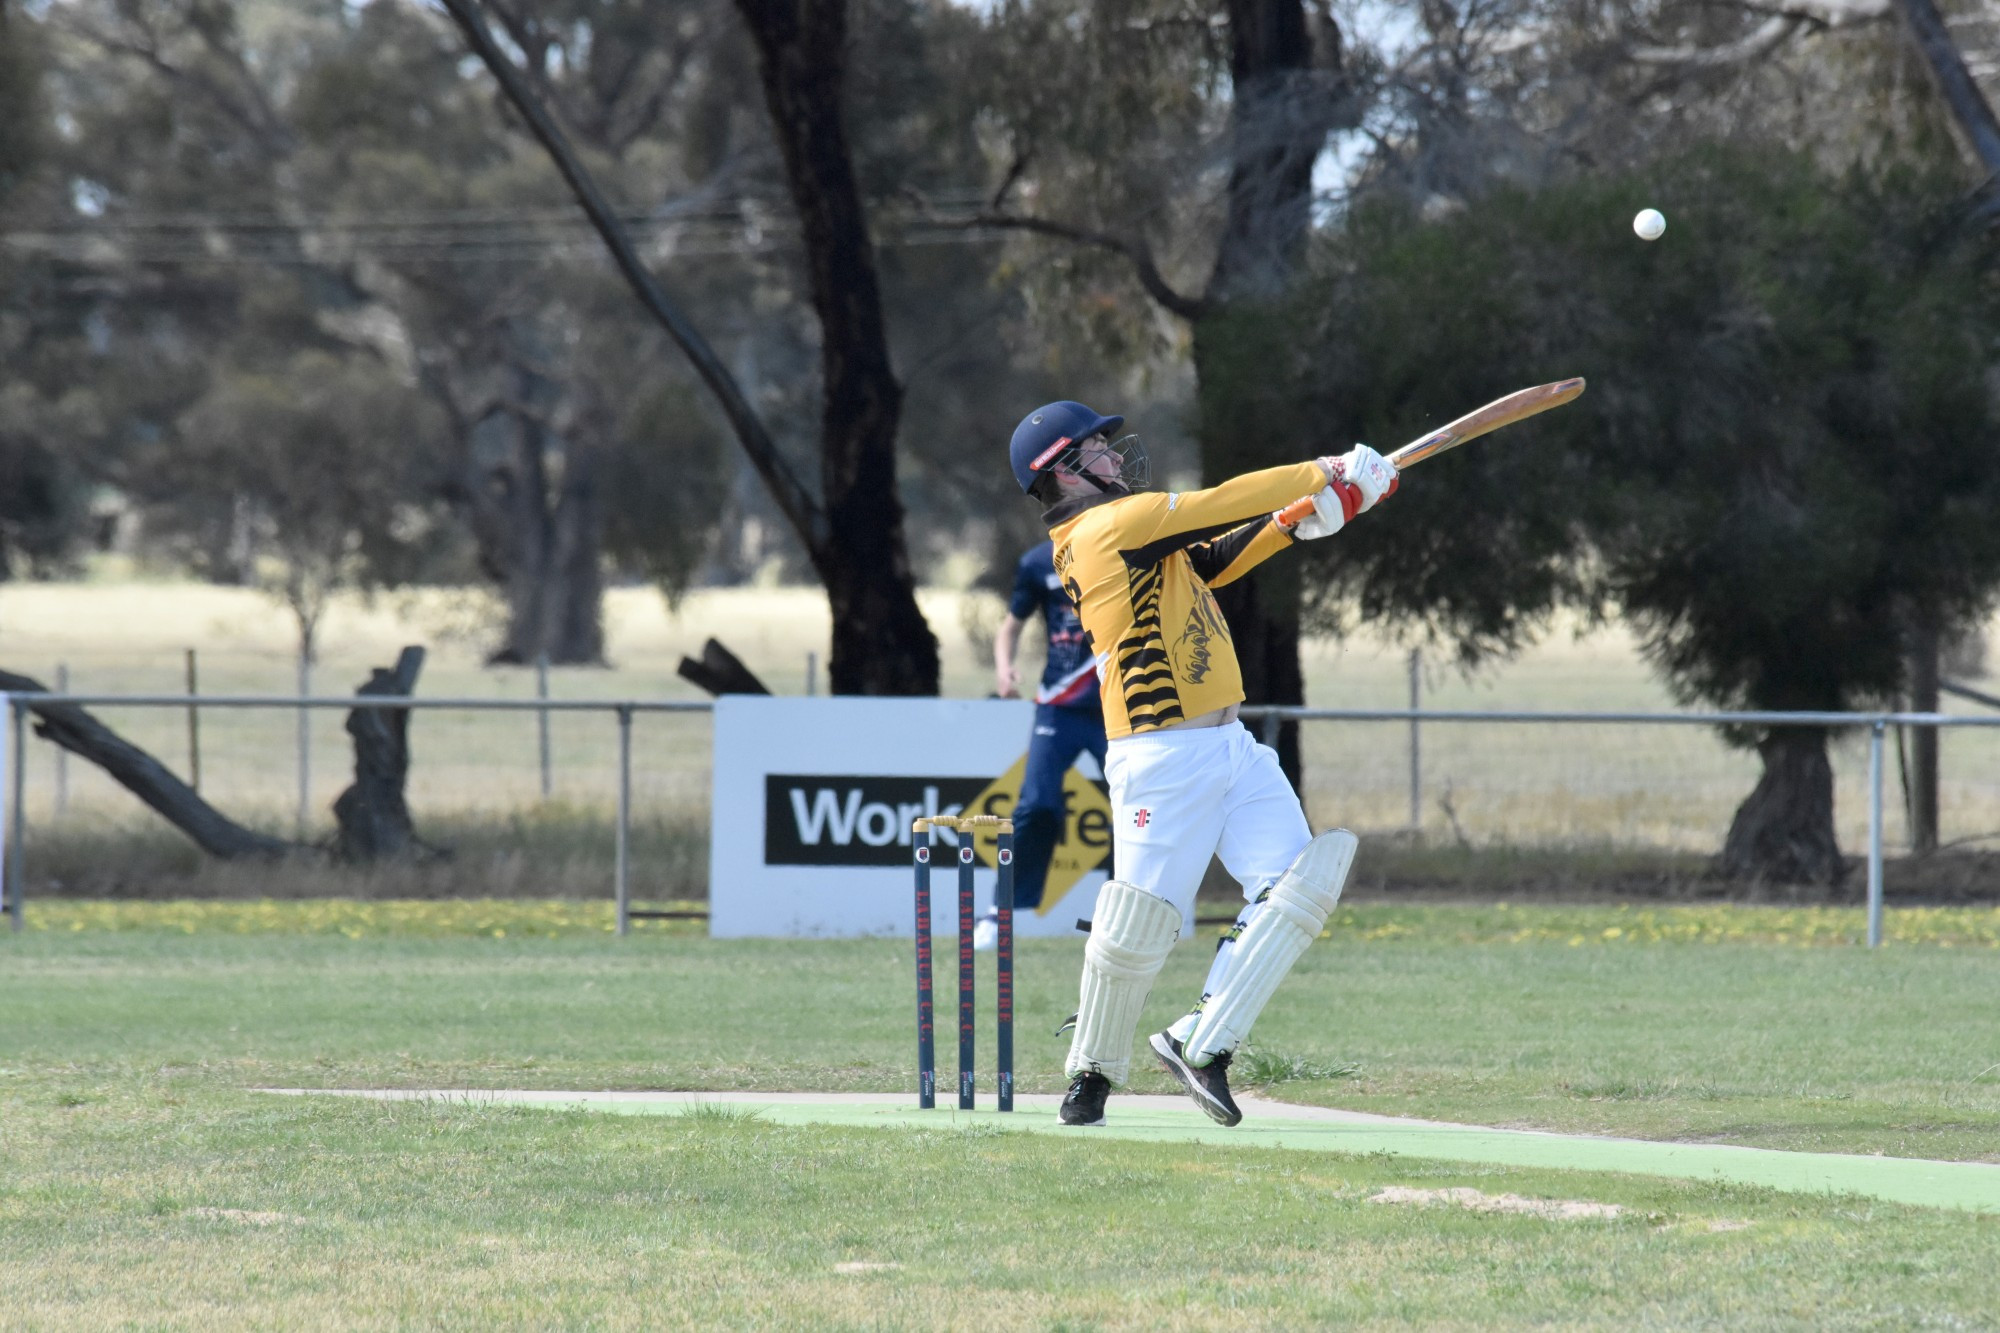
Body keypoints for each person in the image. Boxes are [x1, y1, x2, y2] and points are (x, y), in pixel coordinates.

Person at [1004, 400, 1399, 1128]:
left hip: (1231, 744)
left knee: (1296, 888)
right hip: (1160, 755)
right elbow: (1219, 506)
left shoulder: (1129, 535)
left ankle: (1200, 1041)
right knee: (1137, 926)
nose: (1117, 458)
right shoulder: (1105, 529)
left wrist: (1295, 521)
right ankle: (1090, 1073)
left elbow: (1211, 562)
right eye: (1099, 450)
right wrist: (1327, 471)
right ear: (1063, 472)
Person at [974, 539, 1109, 951]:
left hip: (1115, 705)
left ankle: (1132, 918)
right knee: (1036, 805)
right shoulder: (1036, 561)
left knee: (1137, 810)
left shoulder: (1116, 543)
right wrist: (1004, 670)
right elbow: (1011, 626)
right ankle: (1000, 911)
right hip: (1058, 706)